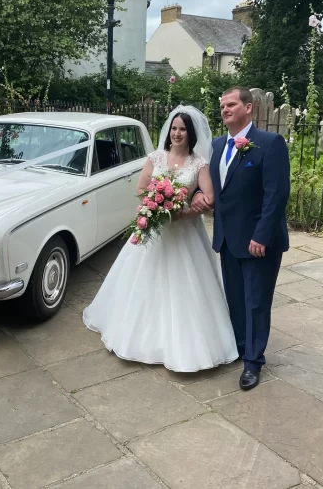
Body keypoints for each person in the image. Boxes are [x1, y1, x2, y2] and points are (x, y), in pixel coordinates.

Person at [83, 106, 239, 373]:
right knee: (142, 282)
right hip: (154, 230)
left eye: (183, 129)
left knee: (187, 287)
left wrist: (188, 208)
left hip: (184, 233)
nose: (177, 133)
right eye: (174, 128)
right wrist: (155, 206)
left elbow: (210, 198)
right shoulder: (156, 158)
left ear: (191, 134)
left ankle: (188, 344)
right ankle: (138, 336)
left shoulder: (198, 164)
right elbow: (141, 189)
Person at [192, 87, 290, 390]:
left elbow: (276, 195)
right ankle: (239, 346)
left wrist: (261, 235)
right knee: (235, 299)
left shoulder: (270, 144)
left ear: (249, 108)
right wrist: (198, 195)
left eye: (231, 104)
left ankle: (253, 362)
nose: (225, 110)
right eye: (222, 106)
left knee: (256, 302)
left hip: (258, 242)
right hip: (227, 239)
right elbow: (211, 185)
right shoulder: (219, 145)